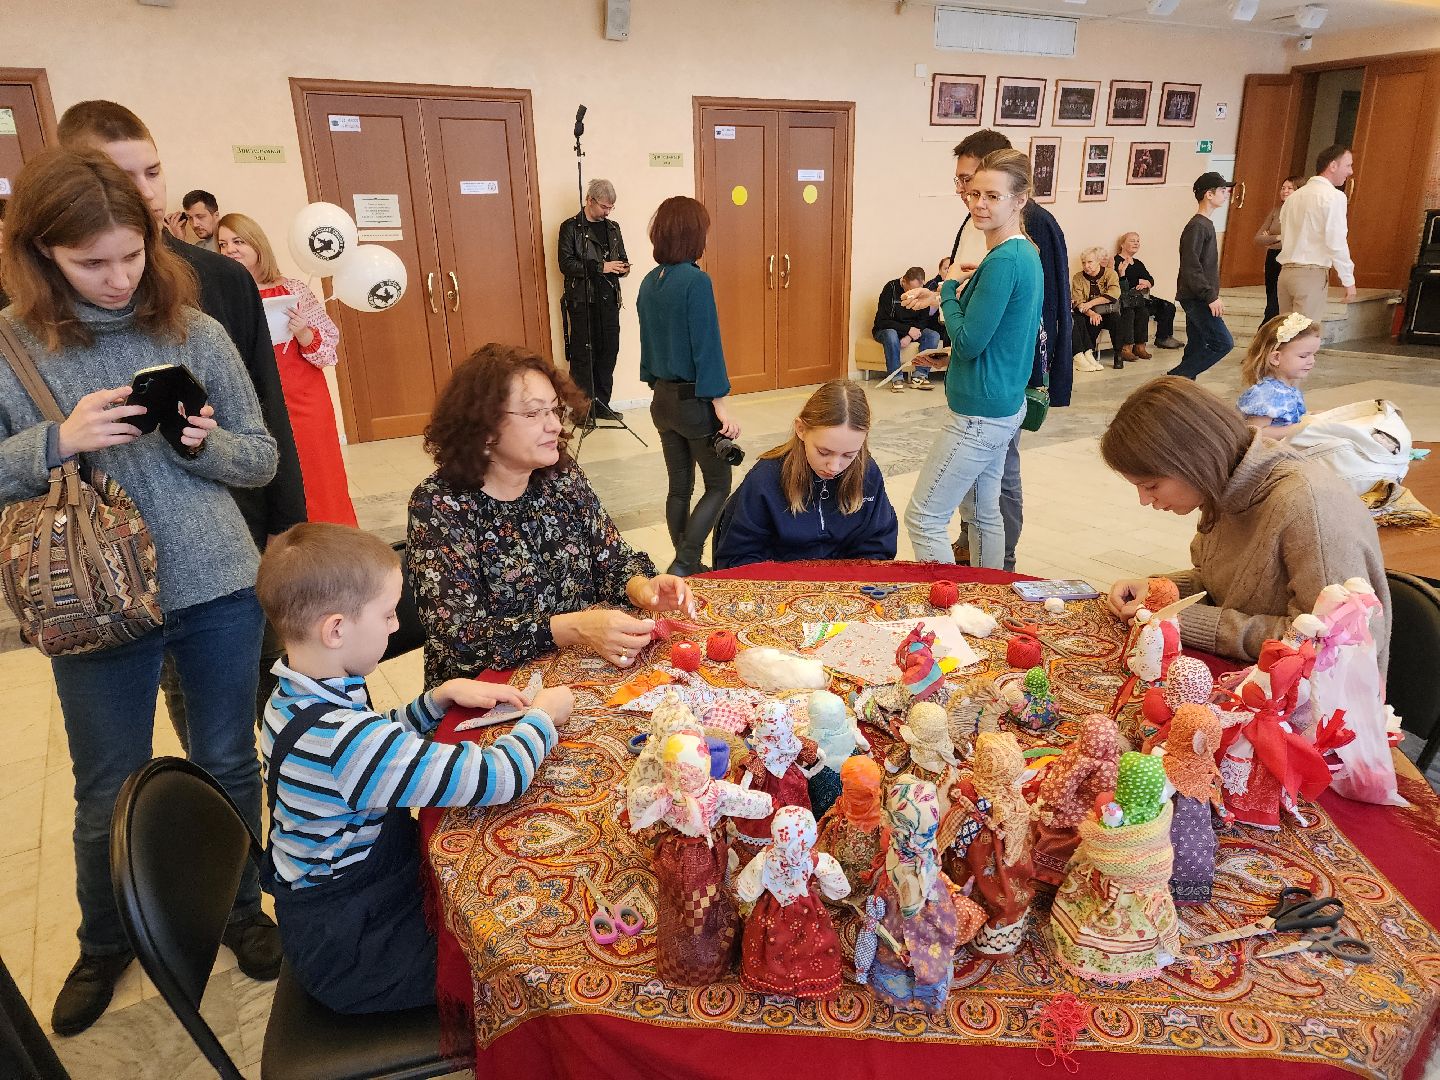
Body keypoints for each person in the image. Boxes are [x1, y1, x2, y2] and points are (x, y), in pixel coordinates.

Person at [0, 148, 281, 1035]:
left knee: (229, 759)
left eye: (130, 254)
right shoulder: (13, 344)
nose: (117, 278)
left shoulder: (193, 330)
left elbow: (261, 455)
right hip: (90, 599)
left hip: (217, 586)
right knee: (106, 786)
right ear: (43, 254)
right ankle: (106, 939)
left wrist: (202, 446)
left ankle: (240, 907)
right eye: (91, 262)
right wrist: (56, 439)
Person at [58, 101, 306, 738]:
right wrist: (57, 441)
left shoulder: (218, 281)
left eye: (152, 173)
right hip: (99, 570)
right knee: (138, 756)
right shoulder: (25, 316)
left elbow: (264, 418)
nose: (139, 193)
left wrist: (287, 524)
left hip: (225, 545)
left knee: (245, 725)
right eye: (117, 177)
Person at [257, 523, 572, 1013]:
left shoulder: (294, 693)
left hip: (343, 911)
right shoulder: (345, 744)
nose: (395, 627)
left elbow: (374, 744)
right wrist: (542, 720)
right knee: (525, 957)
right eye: (385, 615)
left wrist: (435, 700)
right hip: (357, 951)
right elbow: (495, 778)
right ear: (336, 629)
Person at [408, 343, 692, 684]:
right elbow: (460, 638)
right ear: (483, 428)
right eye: (533, 414)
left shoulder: (562, 479)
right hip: (489, 690)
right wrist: (573, 627)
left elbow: (612, 561)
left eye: (555, 411)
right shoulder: (440, 505)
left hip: (578, 672)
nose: (554, 426)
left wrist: (642, 587)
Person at [1102, 376, 1390, 669]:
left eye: (1151, 486)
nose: (1144, 500)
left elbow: (1326, 646)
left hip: (1314, 703)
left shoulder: (1308, 506)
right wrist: (1159, 590)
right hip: (1251, 676)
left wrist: (1179, 620)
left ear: (1195, 461)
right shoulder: (1222, 487)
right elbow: (1223, 585)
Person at [905, 129, 1071, 573]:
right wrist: (952, 351)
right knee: (982, 514)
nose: (978, 203)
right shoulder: (1021, 254)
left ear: (1019, 201)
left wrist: (948, 291)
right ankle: (989, 601)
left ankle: (947, 609)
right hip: (999, 401)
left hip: (981, 413)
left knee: (924, 517)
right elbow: (999, 336)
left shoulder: (1004, 260)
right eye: (973, 192)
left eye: (992, 195)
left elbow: (971, 338)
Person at [217, 213, 357, 527]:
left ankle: (331, 541)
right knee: (272, 479)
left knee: (317, 473)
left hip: (304, 400)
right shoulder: (223, 295)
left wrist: (304, 334)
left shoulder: (293, 289)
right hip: (255, 402)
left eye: (238, 241)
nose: (230, 250)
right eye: (223, 244)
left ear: (257, 244)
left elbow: (329, 349)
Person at [638, 196, 739, 577]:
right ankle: (684, 563)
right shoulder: (696, 281)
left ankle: (689, 564)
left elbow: (649, 345)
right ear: (694, 234)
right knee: (718, 483)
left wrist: (656, 384)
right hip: (692, 401)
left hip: (661, 400)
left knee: (679, 487)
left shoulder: (651, 282)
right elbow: (707, 345)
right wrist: (720, 404)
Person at [713, 379, 897, 568]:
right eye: (824, 452)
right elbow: (737, 558)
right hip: (781, 586)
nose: (834, 467)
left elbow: (878, 545)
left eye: (849, 455)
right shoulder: (765, 479)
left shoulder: (867, 472)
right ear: (801, 429)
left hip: (847, 585)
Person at [558, 178, 628, 423]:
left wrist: (622, 268)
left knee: (609, 352)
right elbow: (566, 264)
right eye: (604, 207)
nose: (607, 212)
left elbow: (620, 258)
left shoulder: (613, 228)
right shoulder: (570, 228)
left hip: (609, 300)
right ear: (589, 200)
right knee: (583, 356)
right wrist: (601, 266)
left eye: (611, 208)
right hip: (582, 301)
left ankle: (602, 405)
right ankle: (582, 411)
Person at [1278, 145, 1357, 326]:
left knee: (1286, 336)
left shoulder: (1293, 198)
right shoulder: (1333, 196)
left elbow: (1285, 234)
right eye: (1348, 165)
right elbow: (1336, 241)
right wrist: (1348, 279)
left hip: (1286, 274)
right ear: (1333, 166)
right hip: (1310, 274)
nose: (1350, 171)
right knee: (1304, 337)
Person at [1170, 172, 1233, 380]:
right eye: (1223, 191)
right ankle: (1173, 379)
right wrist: (1210, 296)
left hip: (1199, 296)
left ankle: (1181, 389)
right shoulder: (1197, 226)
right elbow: (1190, 266)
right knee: (1223, 343)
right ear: (1209, 194)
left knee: (1197, 346)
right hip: (1197, 298)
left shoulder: (1205, 224)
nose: (1226, 194)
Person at [1237, 312, 1320, 440]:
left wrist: (1312, 416)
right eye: (1304, 356)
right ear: (1276, 358)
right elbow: (1256, 432)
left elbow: (1286, 419)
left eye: (1314, 355)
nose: (1312, 361)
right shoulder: (1267, 393)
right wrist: (1301, 428)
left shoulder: (1287, 389)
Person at [872, 266, 942, 391]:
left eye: (917, 290)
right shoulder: (890, 288)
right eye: (911, 290)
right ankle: (896, 377)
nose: (913, 295)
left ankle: (920, 376)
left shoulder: (922, 292)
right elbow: (883, 321)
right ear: (903, 281)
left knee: (933, 335)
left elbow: (924, 320)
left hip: (912, 331)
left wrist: (909, 336)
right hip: (887, 329)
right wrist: (907, 330)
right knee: (891, 334)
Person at [1114, 231, 1182, 351]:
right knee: (1141, 311)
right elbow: (1117, 281)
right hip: (1128, 300)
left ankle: (1163, 338)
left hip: (1142, 297)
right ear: (1122, 245)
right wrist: (1138, 281)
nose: (1136, 243)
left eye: (1138, 241)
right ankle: (1133, 346)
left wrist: (1147, 283)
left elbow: (1150, 279)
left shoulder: (1138, 263)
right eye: (1132, 240)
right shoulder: (1116, 261)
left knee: (1169, 306)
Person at [1255, 176, 1305, 324]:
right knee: (1271, 298)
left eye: (1290, 188)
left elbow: (1297, 237)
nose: (1285, 191)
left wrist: (1270, 237)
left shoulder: (1301, 211)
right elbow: (1258, 238)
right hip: (1273, 257)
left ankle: (1265, 335)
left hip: (1290, 259)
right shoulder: (1276, 211)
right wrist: (1278, 237)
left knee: (1278, 302)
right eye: (1283, 188)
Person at [1070, 246, 1127, 371]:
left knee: (1116, 319)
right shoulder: (1078, 277)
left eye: (1090, 262)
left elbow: (1114, 294)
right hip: (1088, 314)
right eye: (1083, 263)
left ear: (1098, 261)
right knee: (1091, 321)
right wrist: (1091, 313)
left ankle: (1118, 354)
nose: (1086, 266)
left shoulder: (1110, 273)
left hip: (1107, 311)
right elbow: (1078, 301)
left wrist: (1091, 304)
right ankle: (1089, 354)